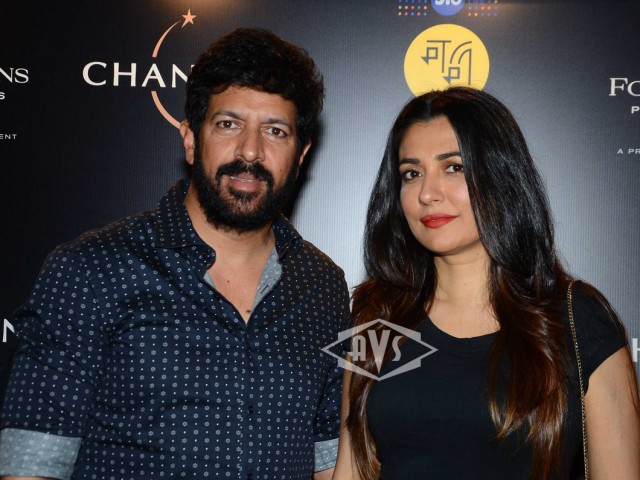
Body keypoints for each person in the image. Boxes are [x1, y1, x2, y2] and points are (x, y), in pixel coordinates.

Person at [0, 28, 348, 480]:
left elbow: (329, 460)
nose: (250, 150)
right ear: (190, 139)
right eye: (228, 124)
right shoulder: (91, 269)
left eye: (275, 131)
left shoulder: (322, 286)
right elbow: (31, 465)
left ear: (300, 156)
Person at [332, 87, 640, 479]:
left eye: (453, 167)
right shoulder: (378, 317)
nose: (427, 193)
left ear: (500, 176)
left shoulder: (576, 318)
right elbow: (351, 468)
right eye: (412, 173)